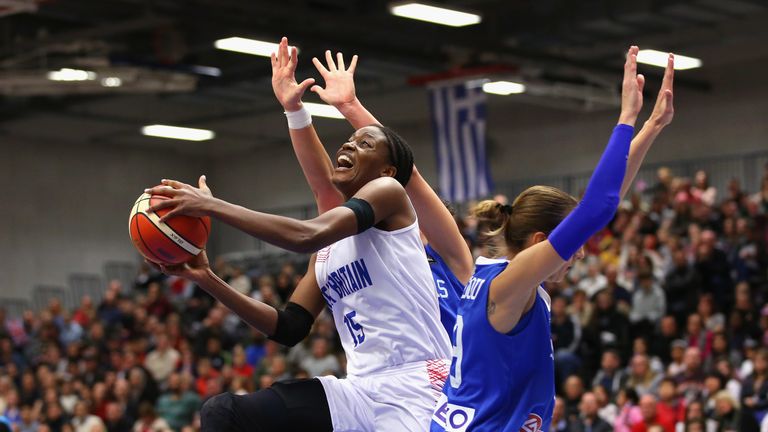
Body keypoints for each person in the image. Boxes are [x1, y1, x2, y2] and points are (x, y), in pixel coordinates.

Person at [146, 37, 452, 432]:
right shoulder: (327, 253)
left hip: (419, 385)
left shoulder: (389, 196)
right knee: (224, 413)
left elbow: (305, 234)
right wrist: (206, 278)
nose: (349, 142)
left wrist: (213, 206)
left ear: (386, 171)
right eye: (350, 139)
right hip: (359, 392)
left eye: (365, 142)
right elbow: (289, 327)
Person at [430, 46, 675, 431]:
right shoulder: (509, 284)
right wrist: (627, 118)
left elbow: (600, 208)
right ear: (540, 240)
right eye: (573, 245)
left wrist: (651, 128)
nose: (579, 254)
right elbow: (598, 208)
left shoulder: (502, 277)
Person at [276, 41, 473, 338]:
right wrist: (294, 111)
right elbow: (326, 191)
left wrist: (349, 106)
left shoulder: (449, 256)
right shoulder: (369, 247)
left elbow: (408, 173)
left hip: (452, 377)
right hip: (389, 377)